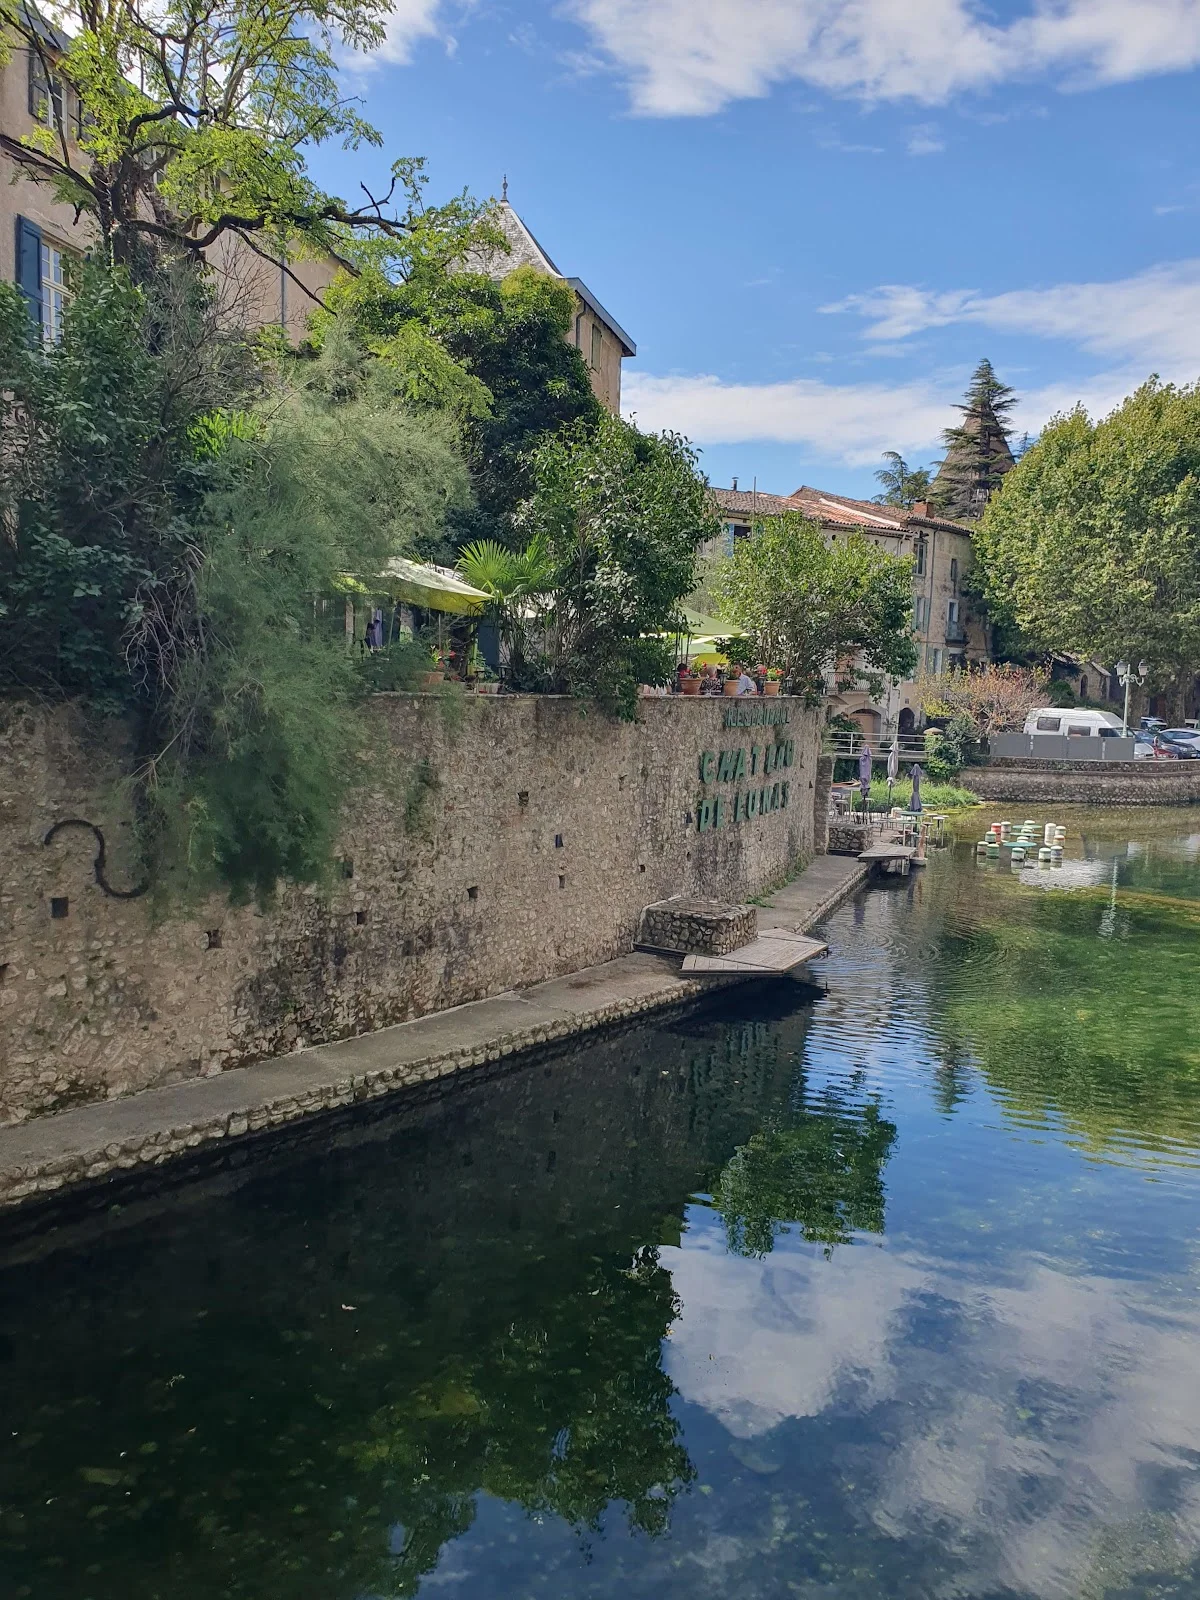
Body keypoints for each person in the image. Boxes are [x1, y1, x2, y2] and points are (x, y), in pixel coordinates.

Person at [858, 743, 873, 813]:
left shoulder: (863, 759)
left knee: (864, 797)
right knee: (865, 796)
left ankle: (864, 809)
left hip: (864, 782)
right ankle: (864, 809)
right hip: (865, 781)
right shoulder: (869, 760)